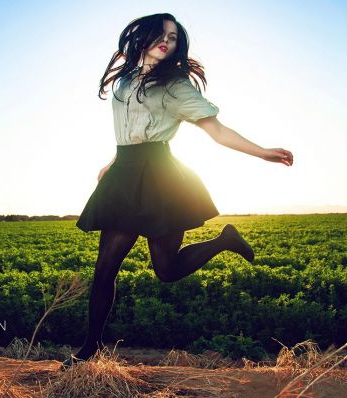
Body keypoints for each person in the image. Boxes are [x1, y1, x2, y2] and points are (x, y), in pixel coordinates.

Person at [62, 12, 293, 370]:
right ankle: (90, 348)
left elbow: (216, 131)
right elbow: (131, 125)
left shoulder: (176, 85)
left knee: (166, 270)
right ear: (143, 37)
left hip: (162, 177)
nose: (167, 41)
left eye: (174, 37)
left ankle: (223, 240)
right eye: (162, 34)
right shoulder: (125, 80)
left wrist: (262, 152)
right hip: (124, 173)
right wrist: (114, 159)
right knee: (105, 267)